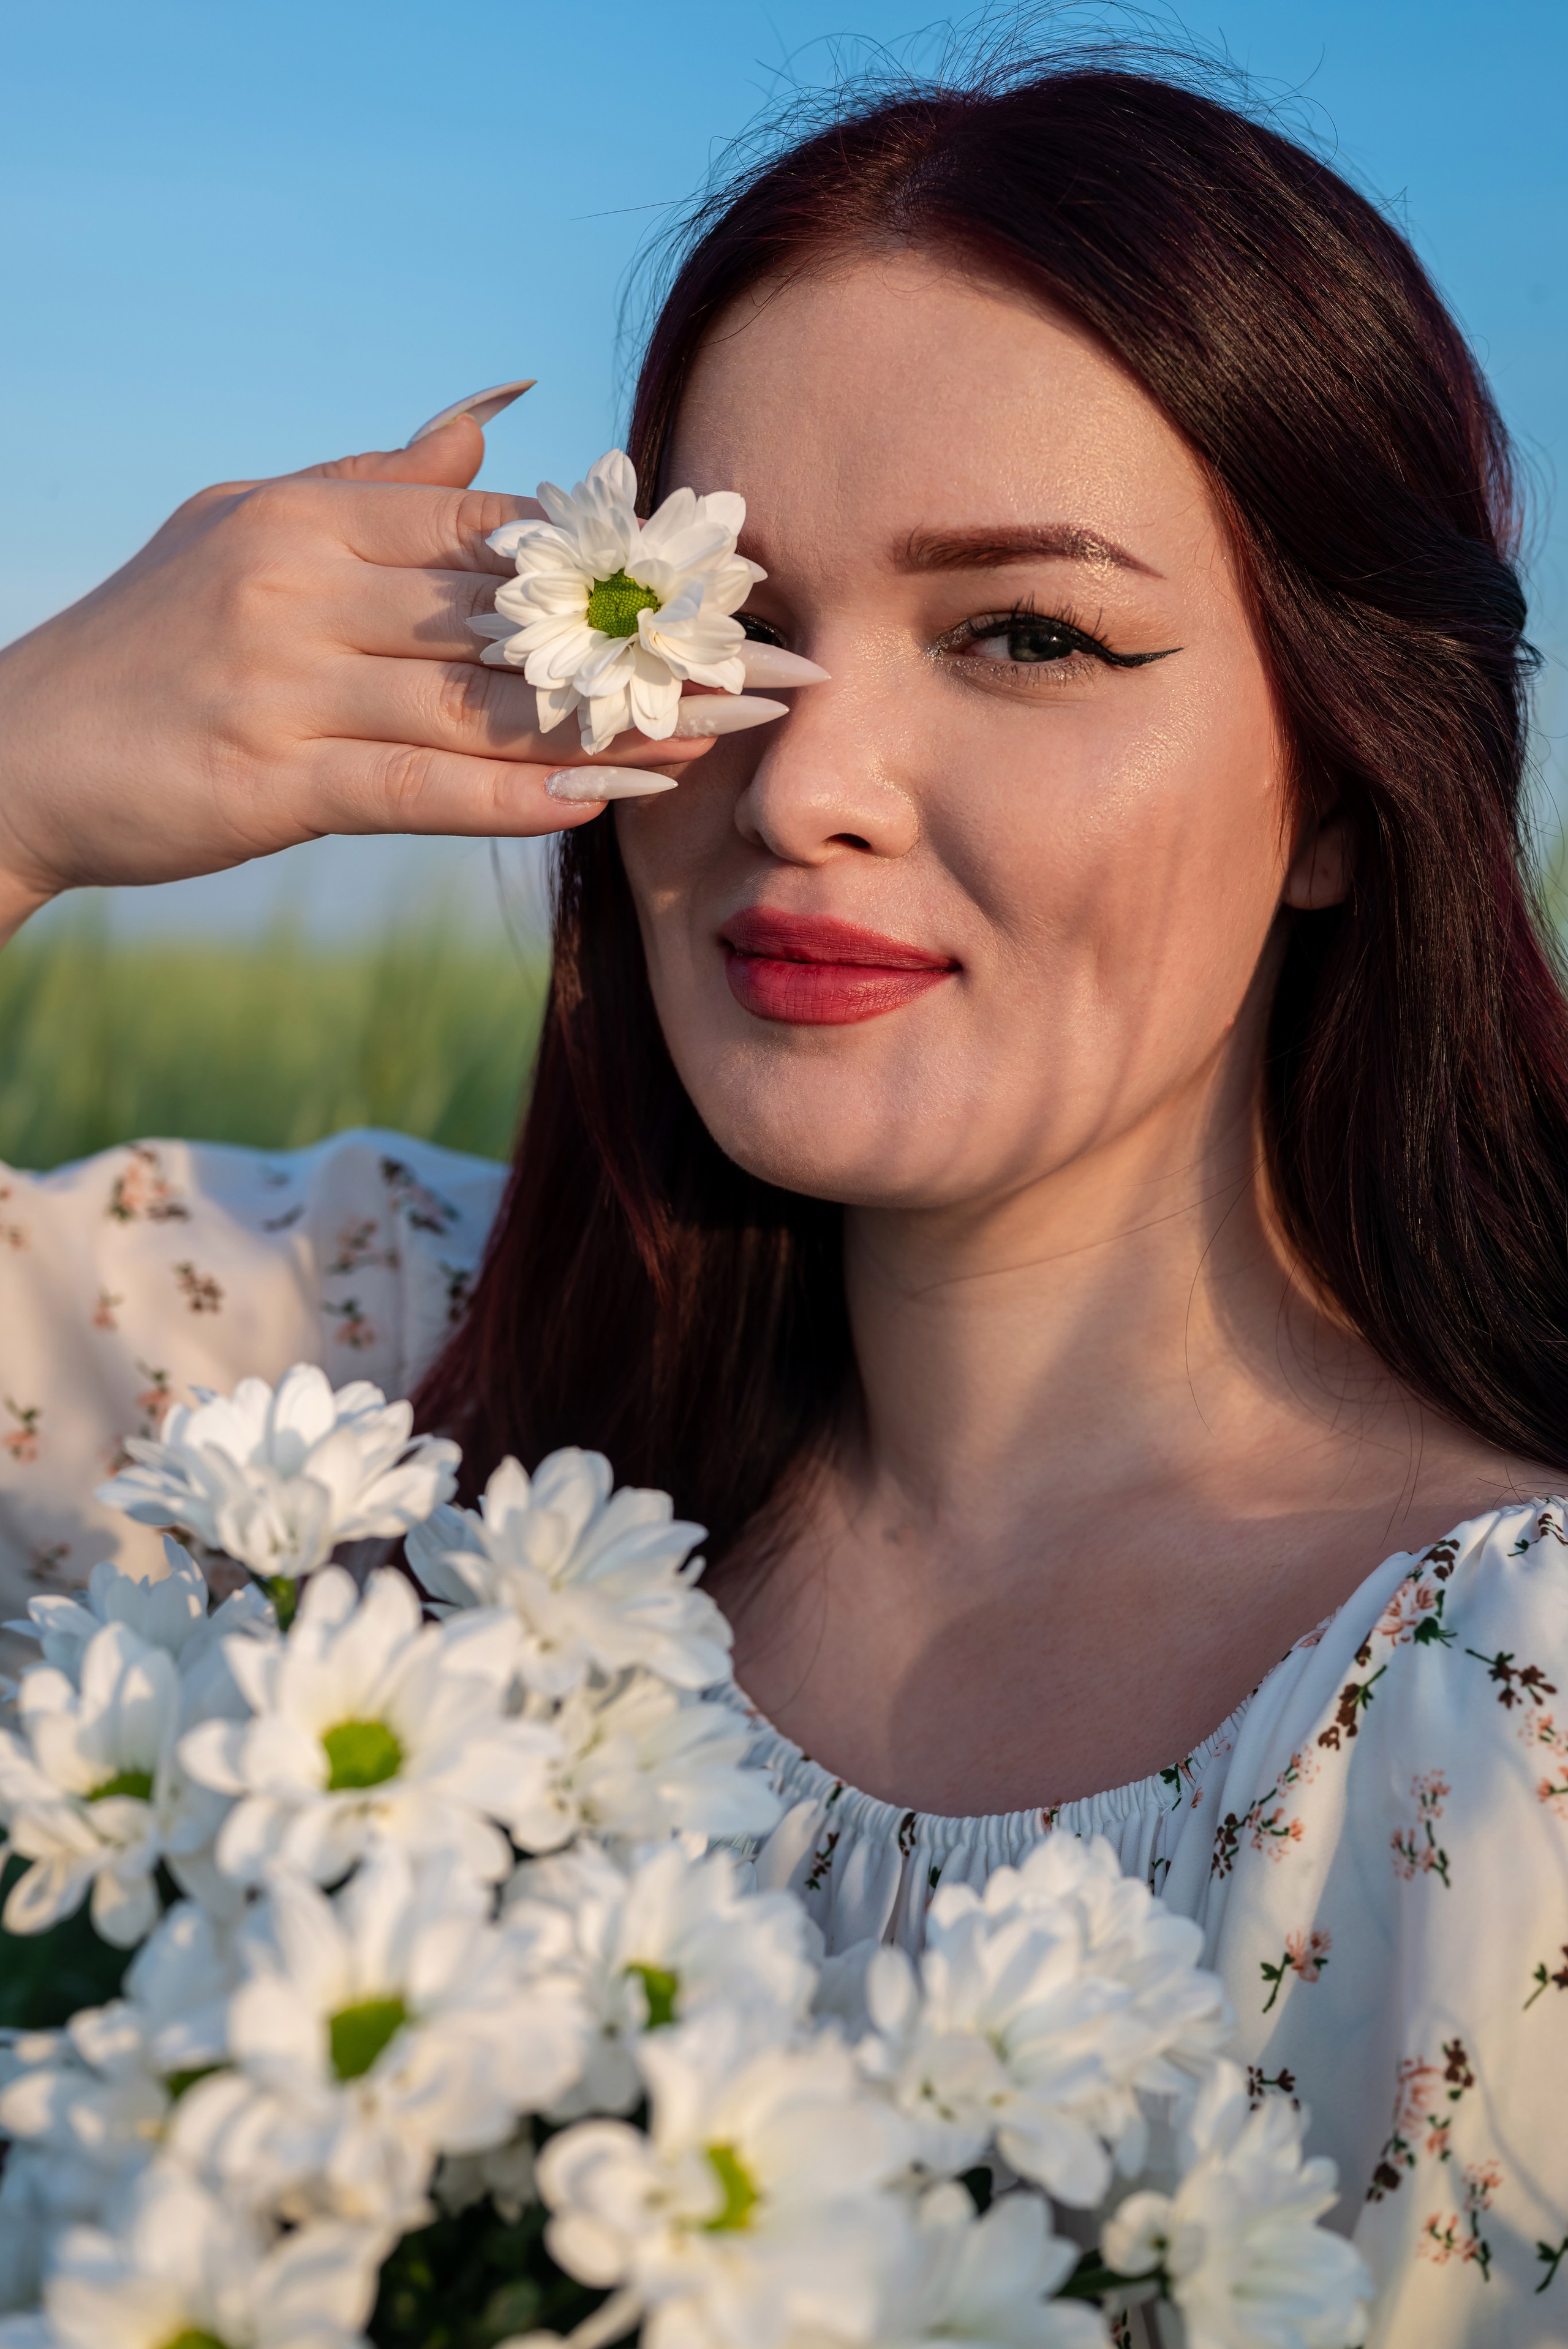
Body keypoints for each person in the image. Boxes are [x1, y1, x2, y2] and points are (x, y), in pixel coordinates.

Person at [1, 53, 1565, 2342]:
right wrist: (19, 781)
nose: (804, 778)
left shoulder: (1500, 1722)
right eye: (710, 616)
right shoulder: (319, 1379)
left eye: (1026, 634)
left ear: (1346, 780)